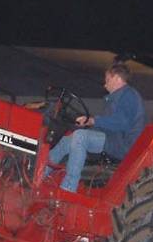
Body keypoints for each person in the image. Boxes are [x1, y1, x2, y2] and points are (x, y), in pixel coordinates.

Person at [48, 62, 144, 193]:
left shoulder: (129, 95)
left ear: (117, 78)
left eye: (107, 80)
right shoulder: (119, 97)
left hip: (123, 144)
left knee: (80, 137)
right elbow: (109, 124)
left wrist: (93, 121)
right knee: (67, 139)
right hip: (113, 139)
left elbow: (122, 123)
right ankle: (39, 174)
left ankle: (68, 188)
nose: (105, 84)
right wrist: (87, 124)